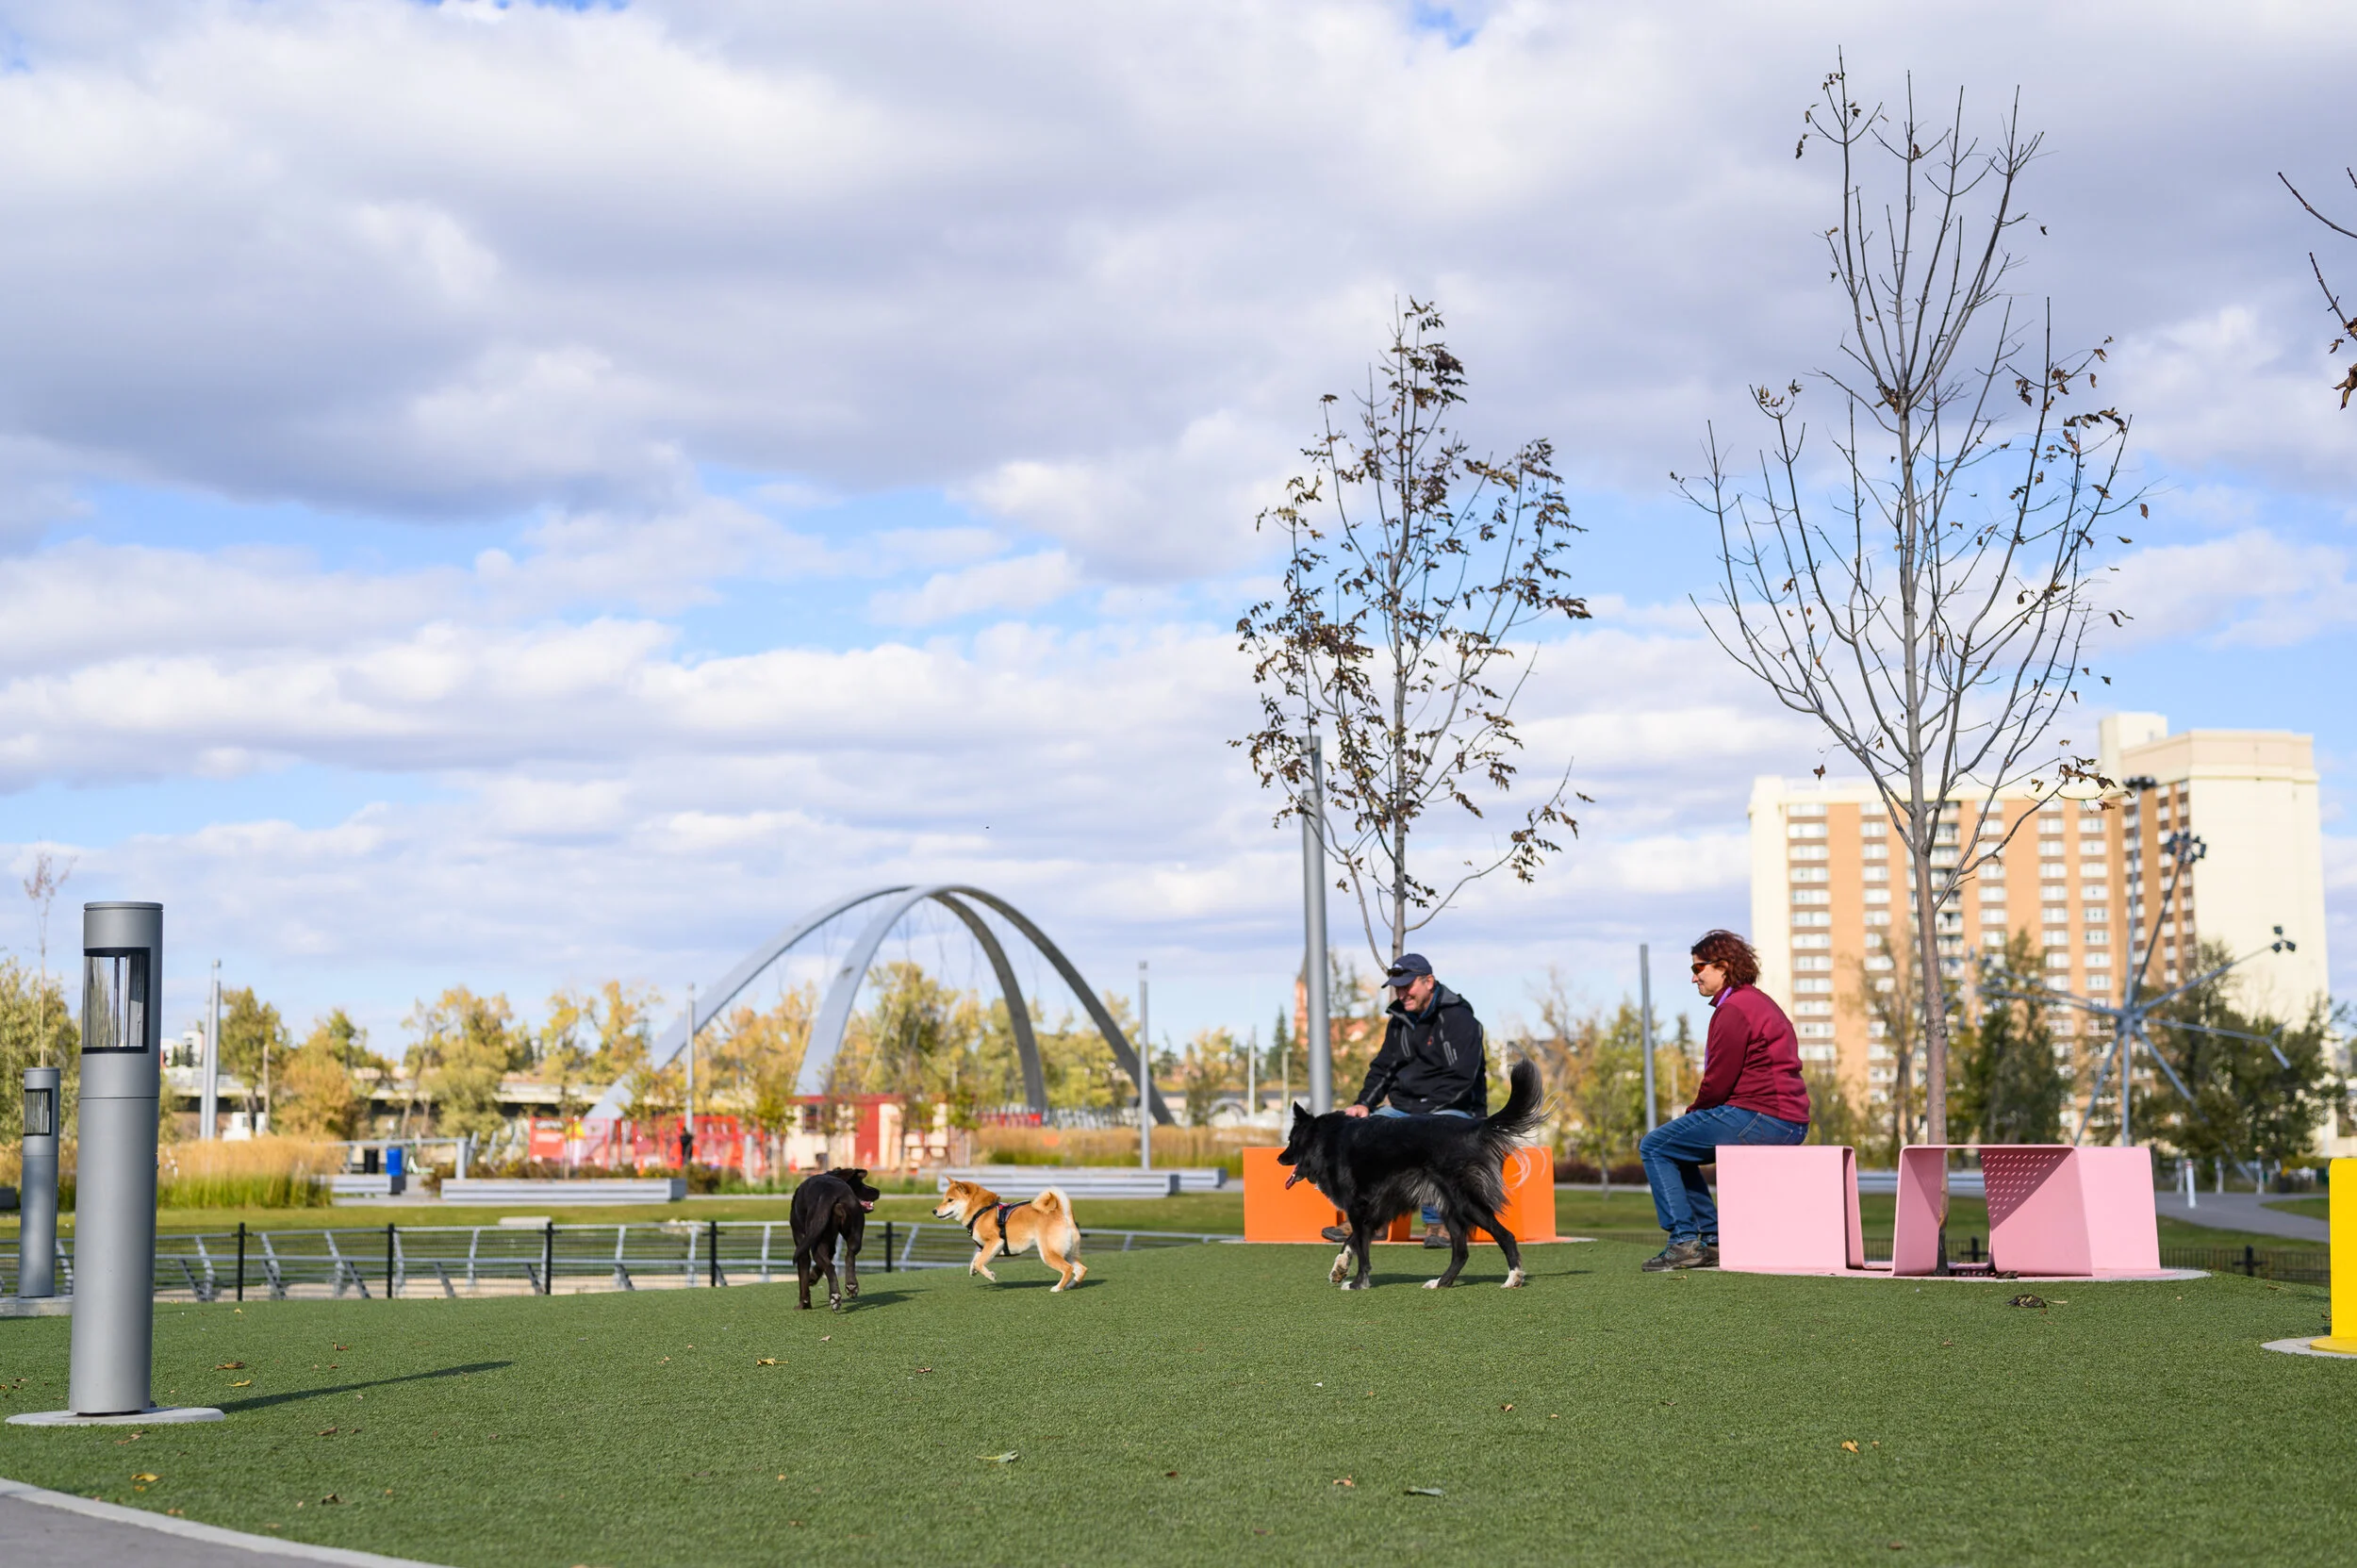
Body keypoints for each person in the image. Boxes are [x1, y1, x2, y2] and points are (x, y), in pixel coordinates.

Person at [1635, 929, 1810, 1272]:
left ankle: (1684, 1242)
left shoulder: (1734, 1010)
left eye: (1699, 968)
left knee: (1655, 1145)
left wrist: (1692, 1114)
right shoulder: (1757, 1002)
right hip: (1789, 1121)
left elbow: (1718, 1081)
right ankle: (1713, 1241)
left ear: (1724, 966)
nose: (1693, 977)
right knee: (1677, 1150)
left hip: (1761, 1117)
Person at [1319, 952, 1489, 1249]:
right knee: (1368, 1133)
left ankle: (1440, 1225)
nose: (1401, 993)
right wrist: (1364, 1104)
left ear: (1429, 982)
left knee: (1433, 1137)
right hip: (1408, 1109)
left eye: (1407, 986)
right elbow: (1383, 1068)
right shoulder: (1399, 1019)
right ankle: (1370, 1219)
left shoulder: (1459, 1018)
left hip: (1457, 1109)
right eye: (1397, 987)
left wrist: (1420, 1116)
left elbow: (1463, 1078)